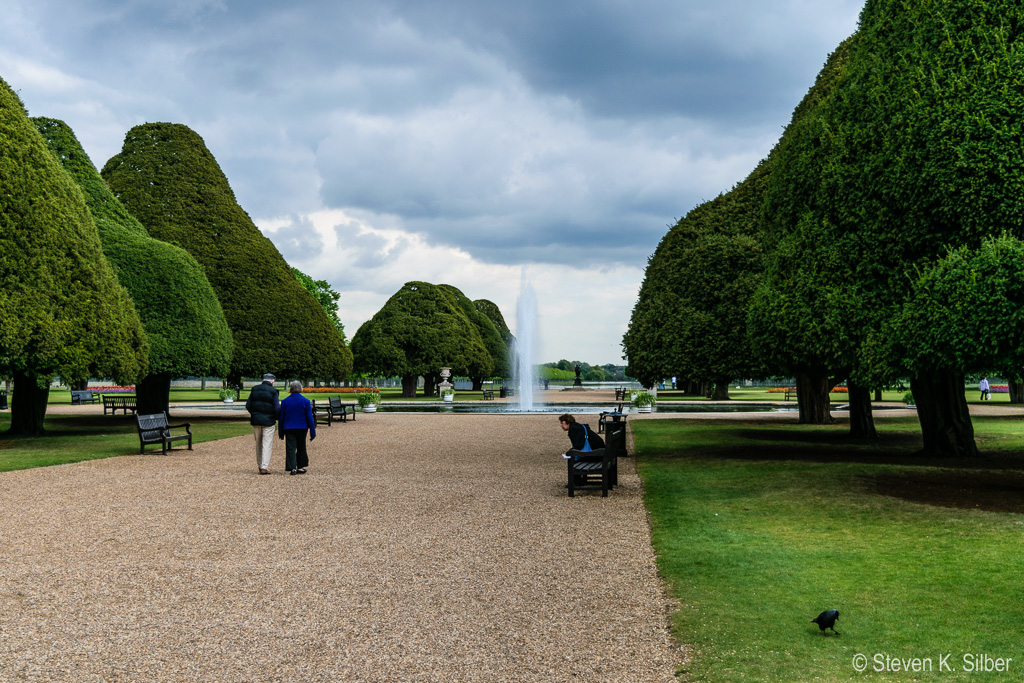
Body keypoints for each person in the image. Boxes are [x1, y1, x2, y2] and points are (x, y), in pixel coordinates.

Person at [278, 380, 317, 475]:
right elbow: (309, 418)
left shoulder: (285, 401)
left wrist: (280, 432)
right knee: (301, 446)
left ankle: (292, 467)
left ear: (291, 389)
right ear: (300, 388)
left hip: (289, 427)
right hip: (302, 427)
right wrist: (313, 431)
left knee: (290, 448)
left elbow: (281, 418)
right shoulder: (305, 401)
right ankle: (300, 466)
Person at [245, 373, 280, 475]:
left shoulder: (254, 389)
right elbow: (277, 408)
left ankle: (260, 465)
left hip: (256, 421)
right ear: (272, 381)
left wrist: (254, 414)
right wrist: (275, 417)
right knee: (267, 444)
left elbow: (248, 405)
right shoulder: (274, 391)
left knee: (258, 444)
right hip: (268, 421)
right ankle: (264, 466)